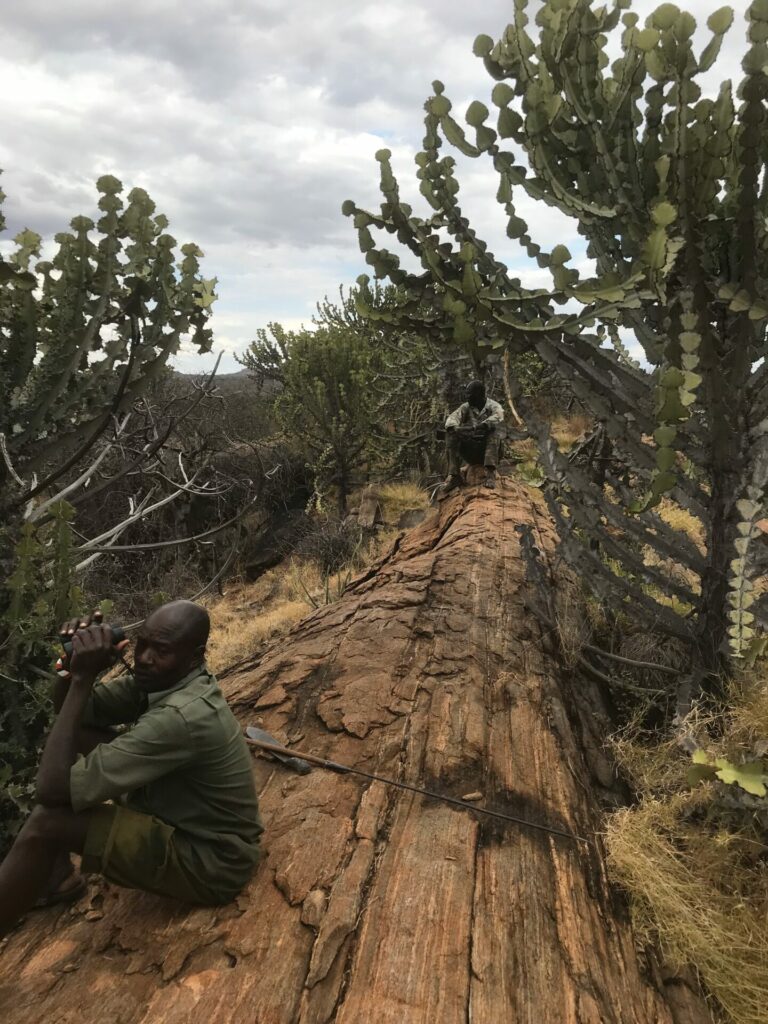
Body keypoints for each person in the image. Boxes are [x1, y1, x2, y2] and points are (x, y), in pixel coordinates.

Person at [0, 601, 262, 936]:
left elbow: (50, 792)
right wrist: (70, 666)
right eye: (142, 644)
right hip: (184, 821)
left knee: (47, 822)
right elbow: (81, 712)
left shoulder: (181, 716)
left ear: (196, 655)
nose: (145, 658)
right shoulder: (166, 678)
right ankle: (57, 876)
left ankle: (47, 861)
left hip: (212, 864)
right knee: (73, 731)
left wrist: (83, 679)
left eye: (161, 650)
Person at [441, 380, 505, 492]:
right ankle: (455, 476)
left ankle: (490, 474)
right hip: (472, 450)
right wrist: (457, 428)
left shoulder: (493, 406)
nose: (467, 397)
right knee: (451, 434)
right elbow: (451, 419)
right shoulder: (465, 407)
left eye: (470, 394)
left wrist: (481, 426)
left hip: (490, 451)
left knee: (494, 431)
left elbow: (499, 416)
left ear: (480, 394)